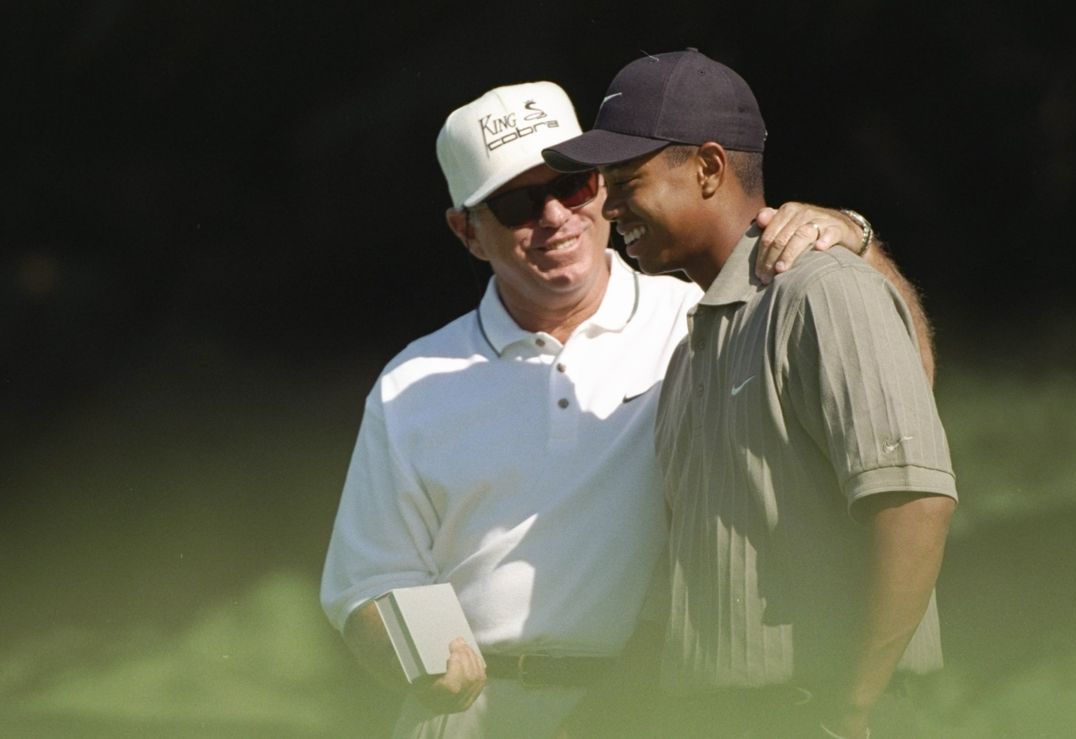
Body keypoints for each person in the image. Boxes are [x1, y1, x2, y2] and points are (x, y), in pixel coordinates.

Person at [320, 79, 933, 739]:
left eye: (574, 185)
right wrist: (420, 666)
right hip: (471, 713)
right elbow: (368, 589)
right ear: (466, 231)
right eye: (518, 203)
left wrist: (858, 241)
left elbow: (906, 385)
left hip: (657, 702)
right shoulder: (412, 380)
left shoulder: (699, 317)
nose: (555, 215)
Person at [544, 49, 957, 738]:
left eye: (627, 180)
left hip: (822, 712)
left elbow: (915, 502)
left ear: (708, 168)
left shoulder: (822, 291)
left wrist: (849, 710)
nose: (607, 206)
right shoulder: (694, 351)